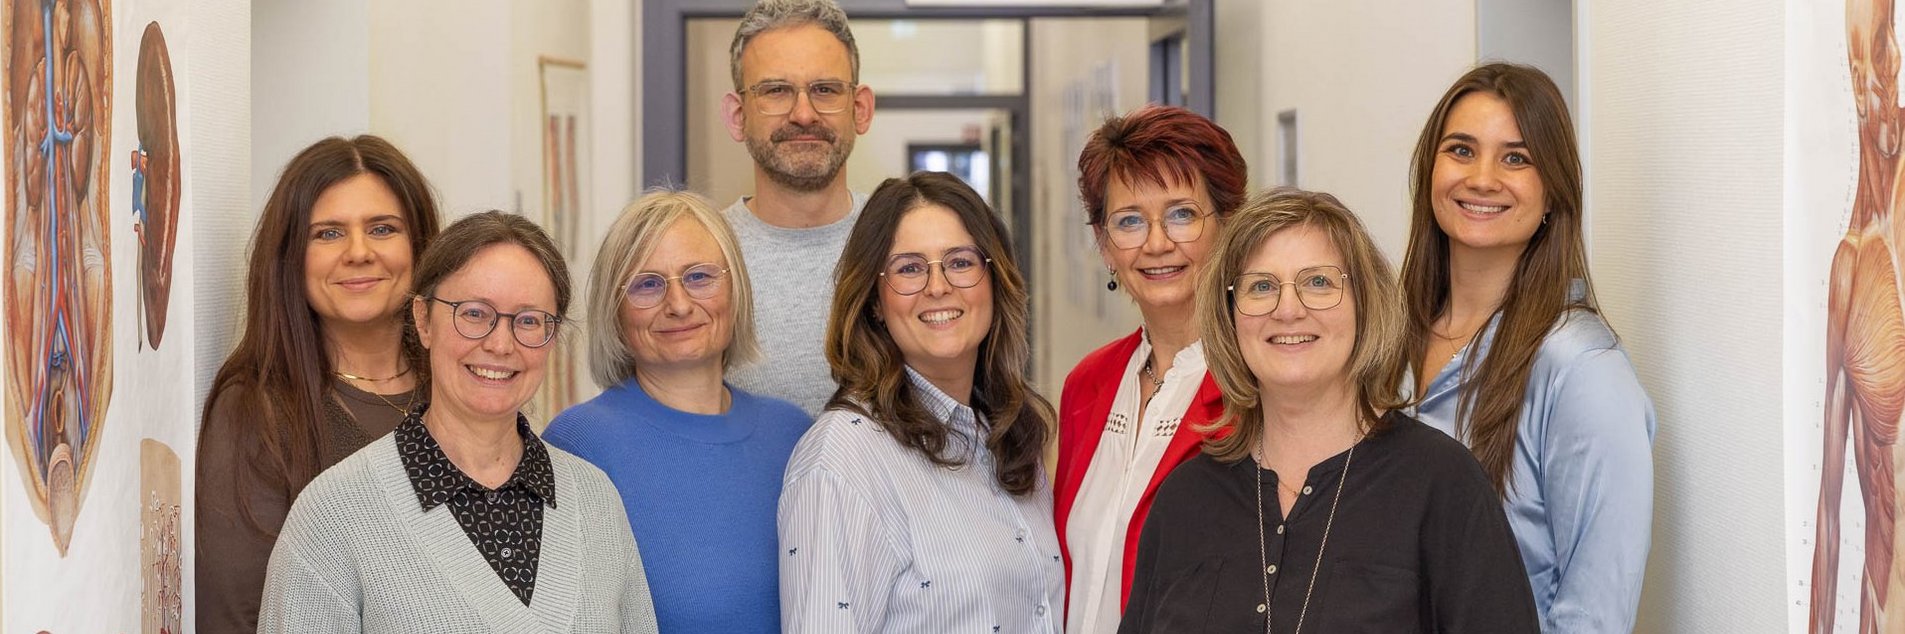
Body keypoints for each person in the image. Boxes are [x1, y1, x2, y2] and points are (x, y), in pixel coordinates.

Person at [1121, 187, 1538, 633]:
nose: (1288, 310)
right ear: (1229, 317)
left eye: (1318, 282)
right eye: (1261, 287)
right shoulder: (1184, 501)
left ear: (1365, 303)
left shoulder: (1443, 486)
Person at [257, 212, 659, 633]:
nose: (501, 344)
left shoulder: (595, 501)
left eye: (528, 320)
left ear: (552, 337)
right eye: (473, 314)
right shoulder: (334, 516)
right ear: (424, 320)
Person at [1398, 62, 1656, 632]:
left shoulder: (1582, 370)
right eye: (1461, 150)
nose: (1483, 177)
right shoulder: (1387, 342)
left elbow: (1595, 617)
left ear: (1551, 193)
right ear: (1430, 172)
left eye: (1516, 158)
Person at [778, 172, 1060, 632]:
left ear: (995, 279)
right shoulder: (841, 461)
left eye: (961, 262)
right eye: (909, 268)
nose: (938, 286)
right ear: (873, 299)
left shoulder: (1006, 434)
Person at [195, 135, 440, 634]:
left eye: (382, 228)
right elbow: (241, 616)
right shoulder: (257, 408)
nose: (359, 252)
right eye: (327, 234)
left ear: (421, 247)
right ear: (290, 258)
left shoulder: (460, 386)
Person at [544, 189, 812, 633]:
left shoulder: (795, 435)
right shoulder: (579, 444)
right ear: (615, 310)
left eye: (700, 276)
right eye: (648, 284)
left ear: (736, 287)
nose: (680, 304)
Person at [1053, 104, 1248, 633]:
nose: (1157, 243)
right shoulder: (1086, 384)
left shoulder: (1257, 389)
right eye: (1130, 221)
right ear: (1103, 243)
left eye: (1183, 213)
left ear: (1227, 224)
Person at [719, 0, 878, 415]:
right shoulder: (702, 258)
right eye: (776, 91)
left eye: (825, 90)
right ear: (738, 116)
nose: (803, 114)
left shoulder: (902, 243)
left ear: (860, 109)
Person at [1814, 1, 1905, 630]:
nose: (1880, 77)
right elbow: (1830, 506)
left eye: (1887, 49)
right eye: (1864, 64)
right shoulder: (1851, 264)